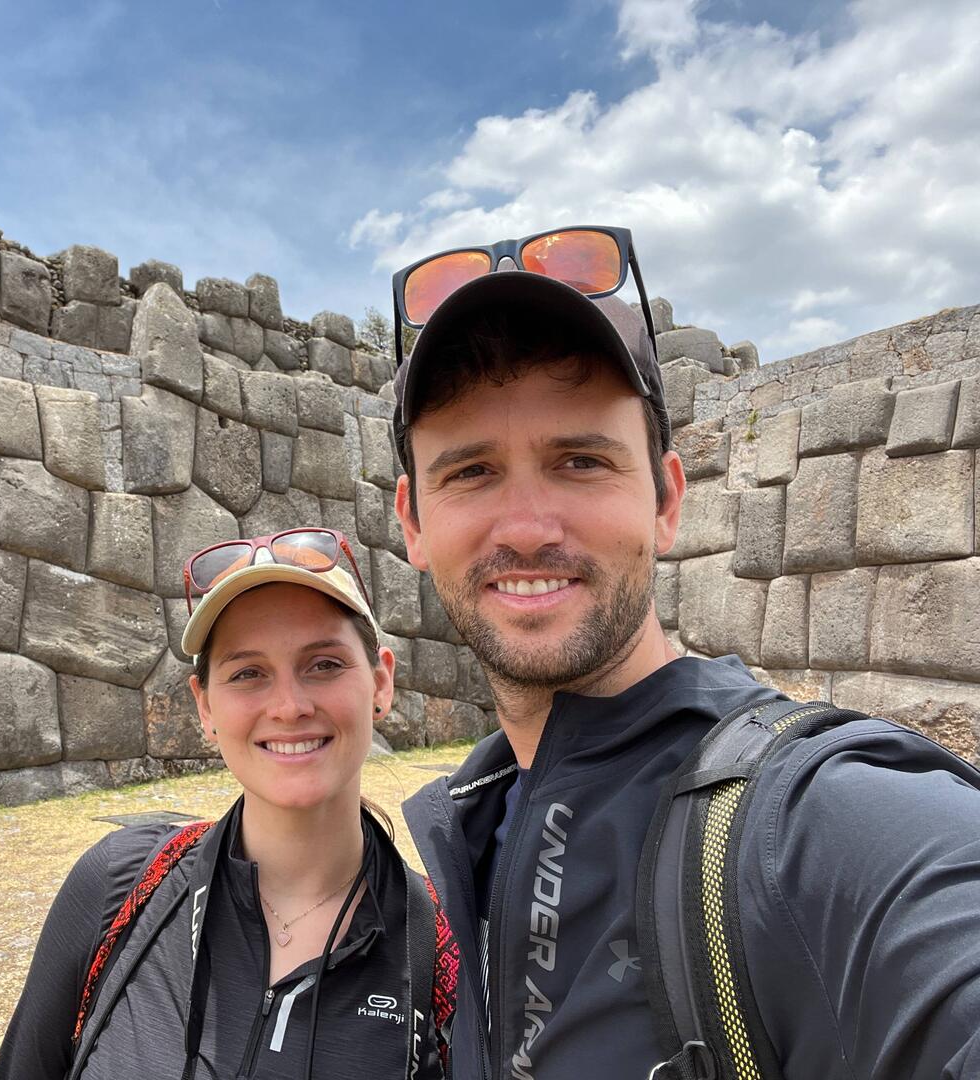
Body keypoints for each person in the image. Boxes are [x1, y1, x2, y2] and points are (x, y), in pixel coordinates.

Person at [387, 226, 980, 1079]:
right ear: (412, 520)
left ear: (667, 498)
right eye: (472, 471)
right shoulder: (464, 841)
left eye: (581, 461)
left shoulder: (810, 825)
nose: (525, 527)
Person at [0, 527, 457, 1080]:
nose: (288, 706)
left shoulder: (441, 951)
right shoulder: (121, 887)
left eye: (324, 664)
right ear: (205, 707)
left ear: (381, 682)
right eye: (247, 673)